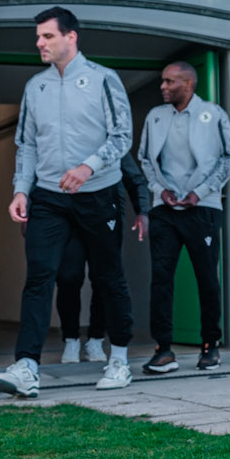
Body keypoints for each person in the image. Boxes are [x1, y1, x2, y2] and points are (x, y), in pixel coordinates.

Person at [0, 8, 135, 397]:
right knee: (40, 276)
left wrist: (88, 167)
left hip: (98, 193)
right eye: (38, 37)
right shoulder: (35, 87)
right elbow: (27, 145)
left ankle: (119, 359)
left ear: (71, 37)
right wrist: (21, 190)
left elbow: (123, 137)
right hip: (49, 197)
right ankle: (27, 366)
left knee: (108, 277)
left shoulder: (104, 79)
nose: (40, 43)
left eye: (47, 36)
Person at [138, 60, 230, 374]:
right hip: (164, 209)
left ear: (188, 84)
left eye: (170, 82)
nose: (163, 87)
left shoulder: (214, 114)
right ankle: (164, 350)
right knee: (161, 279)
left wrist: (204, 190)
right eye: (163, 81)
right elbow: (143, 157)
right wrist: (160, 190)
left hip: (204, 208)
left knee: (207, 278)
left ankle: (211, 346)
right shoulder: (155, 117)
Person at [56, 150, 150, 363]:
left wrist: (142, 211)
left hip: (105, 213)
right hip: (69, 215)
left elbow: (135, 179)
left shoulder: (109, 142)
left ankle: (96, 339)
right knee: (68, 276)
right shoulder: (66, 140)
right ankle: (70, 339)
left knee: (104, 278)